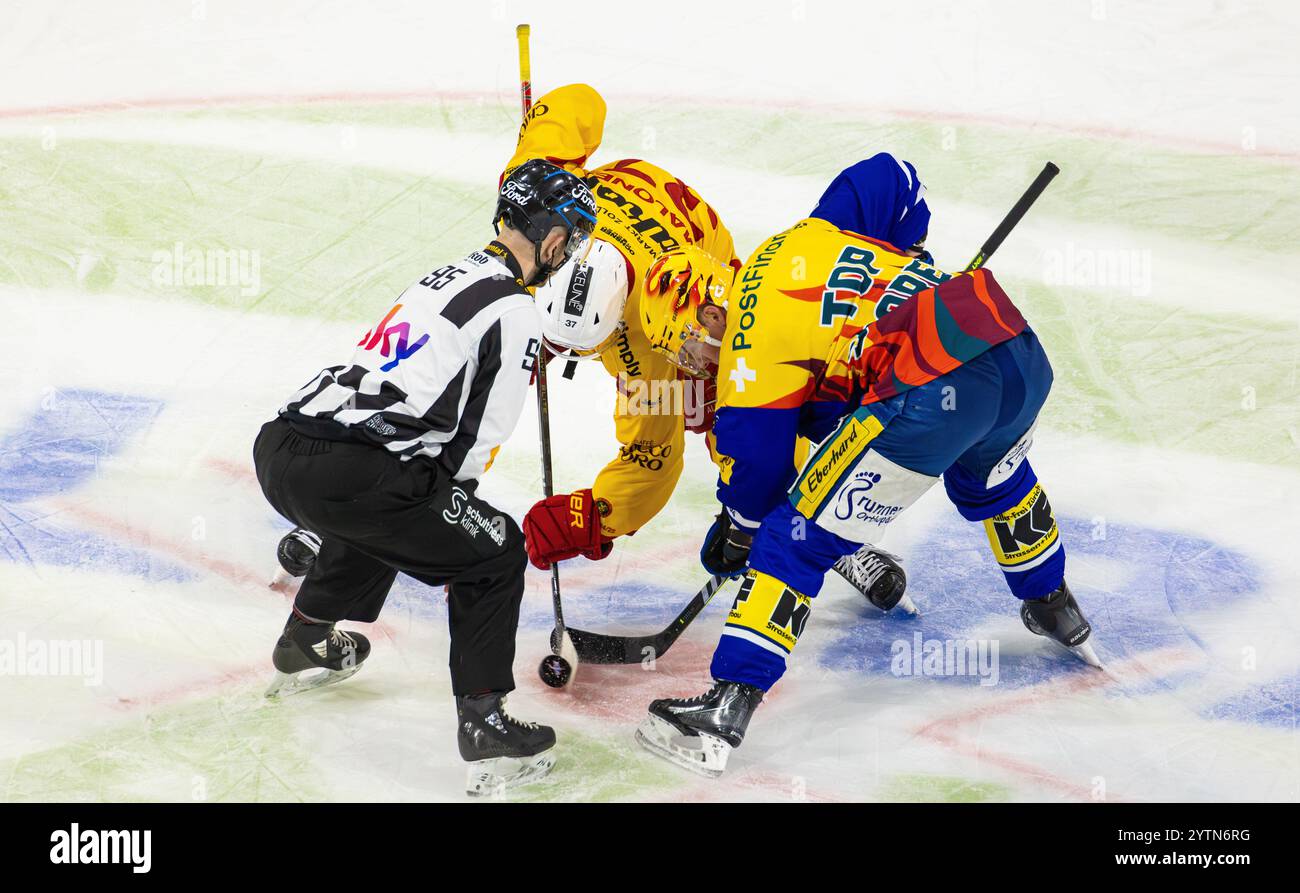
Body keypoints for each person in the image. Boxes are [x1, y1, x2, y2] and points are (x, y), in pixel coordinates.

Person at [632, 212, 1097, 777]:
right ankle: (1054, 605)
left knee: (793, 537)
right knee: (994, 480)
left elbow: (761, 470)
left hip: (931, 387)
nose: (694, 364)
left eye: (686, 347)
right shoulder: (792, 242)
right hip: (1013, 346)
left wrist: (738, 528)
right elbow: (889, 179)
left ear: (708, 312)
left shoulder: (745, 349)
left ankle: (726, 706)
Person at [251, 159, 597, 795]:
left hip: (282, 447)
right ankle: (486, 722)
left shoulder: (451, 272)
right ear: (552, 238)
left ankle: (305, 639)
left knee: (393, 508)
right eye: (572, 238)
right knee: (493, 552)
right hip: (351, 468)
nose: (570, 253)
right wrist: (456, 523)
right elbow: (477, 438)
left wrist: (427, 511)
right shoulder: (517, 311)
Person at [505, 84, 910, 611]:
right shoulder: (535, 200)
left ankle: (813, 526)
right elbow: (579, 102)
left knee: (739, 417)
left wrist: (589, 517)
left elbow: (650, 458)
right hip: (677, 246)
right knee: (742, 405)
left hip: (703, 264)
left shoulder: (647, 355)